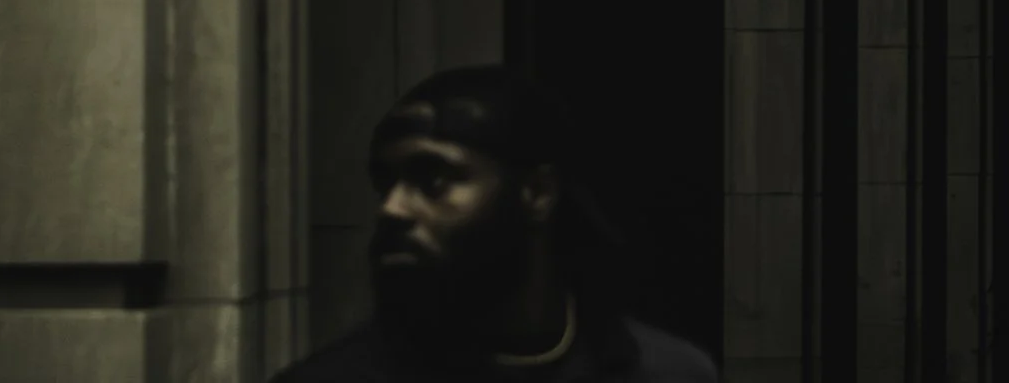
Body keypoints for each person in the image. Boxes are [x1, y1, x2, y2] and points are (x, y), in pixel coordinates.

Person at [271, 65, 718, 381]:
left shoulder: (667, 372)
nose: (391, 208)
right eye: (386, 183)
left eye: (434, 179)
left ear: (537, 193)